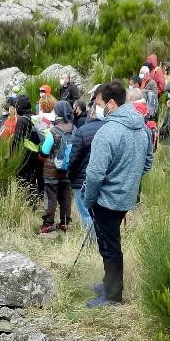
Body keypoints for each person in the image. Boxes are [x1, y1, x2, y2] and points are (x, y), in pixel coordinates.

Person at [82, 81, 153, 307]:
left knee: (109, 247)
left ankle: (112, 295)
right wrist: (129, 179)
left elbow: (94, 175)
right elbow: (147, 163)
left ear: (111, 104)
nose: (96, 107)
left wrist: (88, 200)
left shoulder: (107, 132)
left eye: (99, 103)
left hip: (106, 200)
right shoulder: (143, 128)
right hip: (126, 198)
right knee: (110, 243)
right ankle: (109, 284)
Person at [67, 86, 105, 237]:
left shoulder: (82, 131)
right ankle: (101, 241)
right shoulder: (110, 128)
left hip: (82, 179)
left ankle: (91, 244)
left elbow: (74, 158)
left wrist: (70, 174)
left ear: (92, 112)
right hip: (103, 178)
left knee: (86, 213)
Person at [39, 100, 77, 234]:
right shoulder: (74, 129)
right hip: (68, 170)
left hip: (52, 171)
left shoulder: (52, 131)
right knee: (66, 196)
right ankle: (65, 223)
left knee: (51, 196)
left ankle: (48, 223)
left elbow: (44, 152)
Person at [11, 93, 43, 203]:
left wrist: (11, 155)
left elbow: (16, 140)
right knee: (35, 180)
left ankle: (29, 204)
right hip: (37, 154)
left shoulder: (21, 120)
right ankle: (37, 200)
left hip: (26, 155)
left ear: (19, 107)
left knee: (25, 181)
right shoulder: (35, 117)